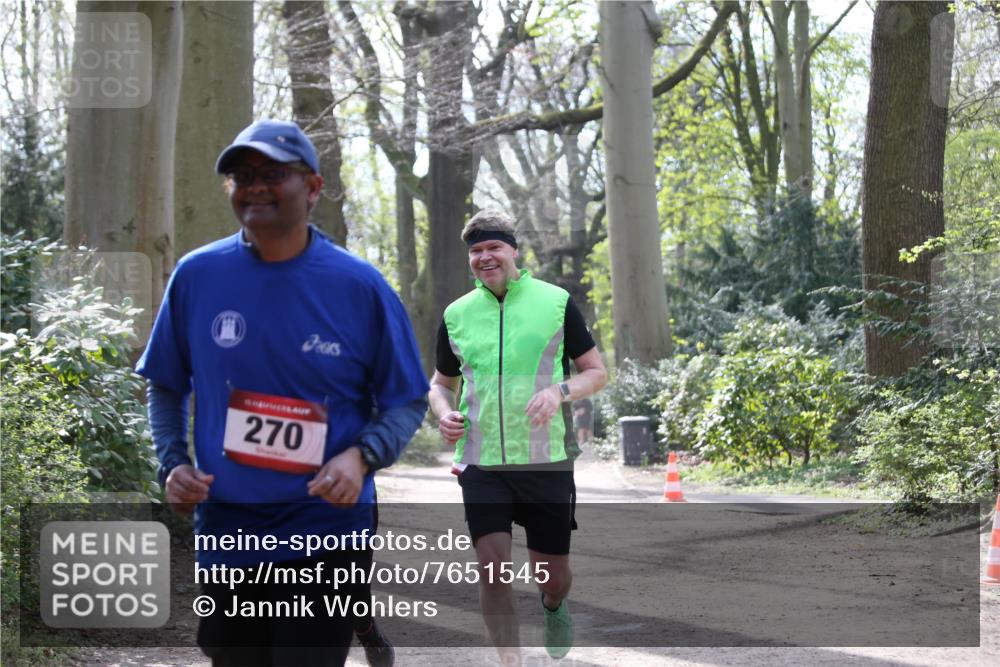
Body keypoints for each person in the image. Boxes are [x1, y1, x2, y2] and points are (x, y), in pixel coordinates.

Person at [137, 119, 427, 667]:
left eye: (274, 173)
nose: (255, 186)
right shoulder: (197, 276)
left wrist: (361, 457)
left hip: (324, 532)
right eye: (243, 176)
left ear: (313, 187)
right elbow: (166, 383)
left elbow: (406, 399)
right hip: (229, 531)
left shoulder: (359, 286)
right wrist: (172, 464)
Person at [427, 210, 608, 665]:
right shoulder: (456, 315)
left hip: (544, 461)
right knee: (492, 571)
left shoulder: (555, 303)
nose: (485, 257)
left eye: (493, 248)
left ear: (513, 251)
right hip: (482, 464)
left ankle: (553, 604)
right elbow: (439, 384)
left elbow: (596, 372)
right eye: (476, 251)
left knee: (552, 575)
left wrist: (558, 390)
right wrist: (445, 414)